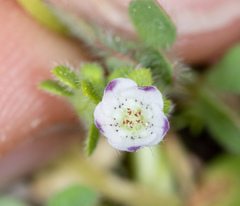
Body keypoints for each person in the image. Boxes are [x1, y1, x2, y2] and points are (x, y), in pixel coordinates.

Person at [0, 0, 240, 186]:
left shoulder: (137, 102)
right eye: (132, 119)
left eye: (130, 117)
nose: (132, 117)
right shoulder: (130, 117)